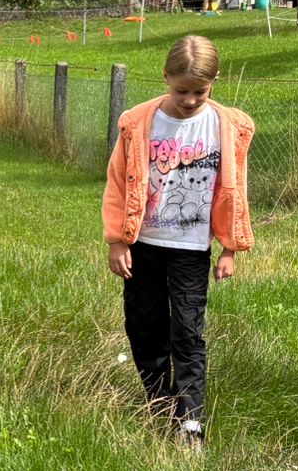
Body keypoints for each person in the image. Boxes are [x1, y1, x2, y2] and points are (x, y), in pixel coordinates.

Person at [101, 34, 254, 445]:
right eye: (181, 90)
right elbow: (118, 183)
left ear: (214, 82)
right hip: (144, 244)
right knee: (143, 326)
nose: (189, 99)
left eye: (199, 92)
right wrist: (117, 240)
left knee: (187, 331)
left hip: (191, 249)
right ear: (166, 77)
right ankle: (160, 404)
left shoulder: (227, 127)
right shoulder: (139, 123)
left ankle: (190, 422)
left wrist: (230, 247)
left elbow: (234, 191)